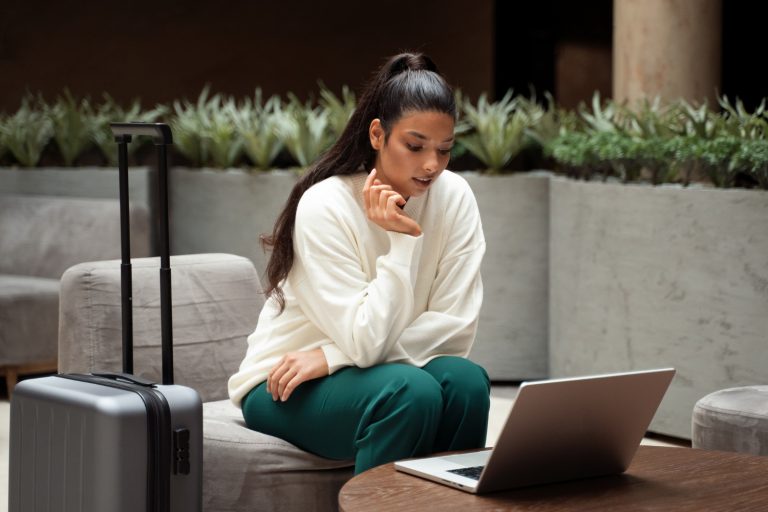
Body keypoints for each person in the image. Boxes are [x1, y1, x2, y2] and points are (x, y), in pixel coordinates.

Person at [228, 52, 490, 475]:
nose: (431, 165)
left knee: (466, 382)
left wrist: (332, 357)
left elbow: (455, 329)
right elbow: (365, 341)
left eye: (444, 150)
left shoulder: (455, 197)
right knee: (411, 392)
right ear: (377, 134)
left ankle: (451, 501)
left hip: (355, 366)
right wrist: (401, 242)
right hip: (285, 382)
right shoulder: (326, 205)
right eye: (415, 146)